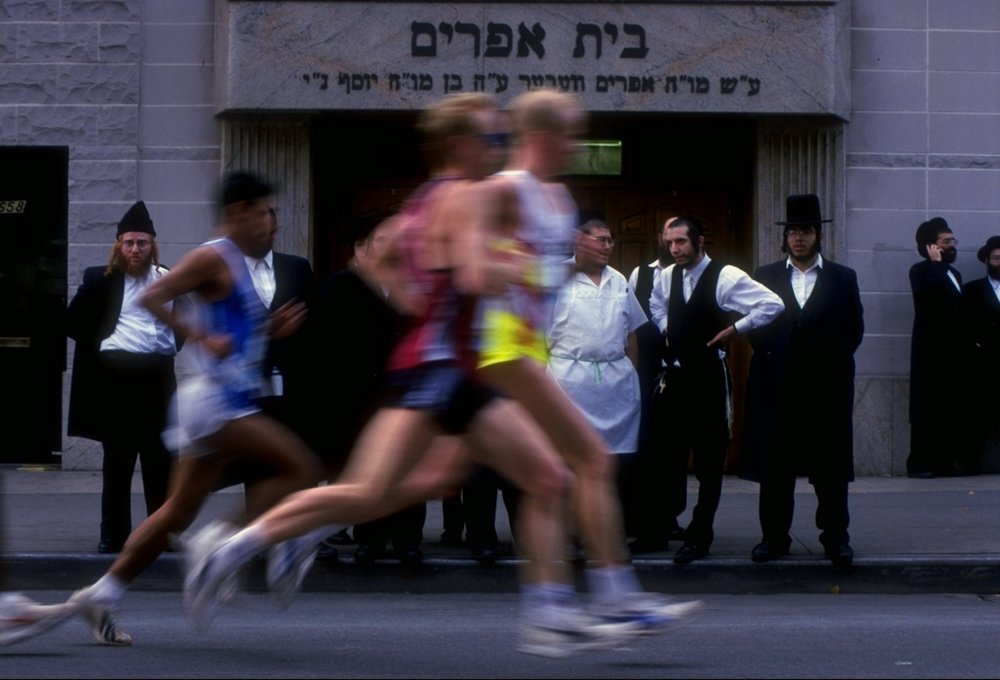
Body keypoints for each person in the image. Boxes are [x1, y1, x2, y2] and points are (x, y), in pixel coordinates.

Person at [183, 93, 651, 659]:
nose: (498, 148)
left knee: (538, 478)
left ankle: (551, 612)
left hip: (453, 370)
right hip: (436, 374)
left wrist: (427, 295)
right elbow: (476, 276)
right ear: (459, 144)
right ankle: (234, 544)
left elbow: (397, 266)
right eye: (490, 138)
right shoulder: (467, 195)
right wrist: (539, 265)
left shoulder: (425, 201)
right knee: (370, 491)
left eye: (502, 139)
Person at [58, 171, 324, 646]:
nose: (271, 223)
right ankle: (227, 542)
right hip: (214, 402)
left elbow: (235, 334)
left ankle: (104, 592)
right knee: (302, 466)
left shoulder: (238, 265)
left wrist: (269, 331)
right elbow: (153, 295)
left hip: (219, 401)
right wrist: (200, 337)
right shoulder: (213, 255)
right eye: (262, 212)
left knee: (175, 512)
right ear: (238, 214)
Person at [470, 88, 703, 620]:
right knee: (566, 468)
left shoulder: (556, 199)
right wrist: (518, 268)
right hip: (492, 352)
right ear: (543, 136)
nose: (575, 144)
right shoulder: (504, 190)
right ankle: (605, 596)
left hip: (519, 352)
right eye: (569, 134)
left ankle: (567, 604)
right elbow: (472, 270)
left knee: (555, 473)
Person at [648, 215, 784, 564]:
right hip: (675, 379)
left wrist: (736, 328)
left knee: (709, 464)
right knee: (667, 457)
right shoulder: (666, 276)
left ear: (700, 241)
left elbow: (772, 304)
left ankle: (700, 535)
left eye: (681, 242)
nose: (674, 249)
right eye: (670, 242)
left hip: (709, 379)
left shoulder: (726, 276)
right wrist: (667, 329)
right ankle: (661, 526)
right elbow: (656, 305)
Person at [738, 194, 864, 569]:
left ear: (818, 235)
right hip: (777, 389)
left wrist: (828, 363)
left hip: (826, 389)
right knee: (776, 472)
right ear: (785, 236)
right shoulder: (766, 276)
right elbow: (754, 325)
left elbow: (853, 330)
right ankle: (774, 538)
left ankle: (835, 539)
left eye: (806, 230)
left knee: (830, 472)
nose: (799, 238)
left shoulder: (843, 278)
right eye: (793, 231)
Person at [65, 200, 180, 554]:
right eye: (128, 243)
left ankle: (160, 534)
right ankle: (113, 536)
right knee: (118, 463)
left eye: (141, 243)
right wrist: (103, 346)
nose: (135, 249)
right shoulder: (99, 279)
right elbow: (73, 323)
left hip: (158, 378)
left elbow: (183, 325)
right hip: (116, 379)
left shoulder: (168, 278)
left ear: (152, 245)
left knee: (160, 463)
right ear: (118, 244)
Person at [313, 210, 426, 568]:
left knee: (408, 467)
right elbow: (324, 345)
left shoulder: (416, 286)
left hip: (405, 393)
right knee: (367, 470)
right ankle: (370, 538)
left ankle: (408, 540)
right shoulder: (341, 285)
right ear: (368, 246)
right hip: (357, 395)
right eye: (381, 239)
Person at [546, 213, 647, 548]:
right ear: (579, 240)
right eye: (601, 239)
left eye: (610, 240)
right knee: (570, 459)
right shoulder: (557, 277)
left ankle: (608, 530)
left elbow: (632, 331)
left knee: (613, 462)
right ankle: (571, 533)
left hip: (614, 385)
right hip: (568, 381)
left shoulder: (619, 280)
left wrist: (628, 369)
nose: (609, 246)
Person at [626, 215, 687, 553]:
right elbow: (635, 324)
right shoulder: (642, 274)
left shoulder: (694, 275)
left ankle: (671, 516)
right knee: (646, 447)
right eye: (668, 235)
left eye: (679, 237)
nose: (673, 242)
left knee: (675, 451)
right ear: (660, 237)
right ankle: (641, 517)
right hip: (649, 372)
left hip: (682, 372)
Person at [907, 217, 965, 478]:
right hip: (929, 352)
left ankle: (944, 462)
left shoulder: (955, 274)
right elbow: (928, 296)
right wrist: (937, 267)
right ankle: (919, 463)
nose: (952, 246)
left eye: (953, 241)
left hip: (951, 354)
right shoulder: (920, 271)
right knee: (925, 409)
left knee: (949, 408)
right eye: (946, 242)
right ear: (932, 247)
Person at [959, 234, 1000, 474]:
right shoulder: (973, 290)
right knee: (979, 417)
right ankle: (971, 463)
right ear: (987, 260)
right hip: (983, 365)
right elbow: (965, 325)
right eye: (996, 258)